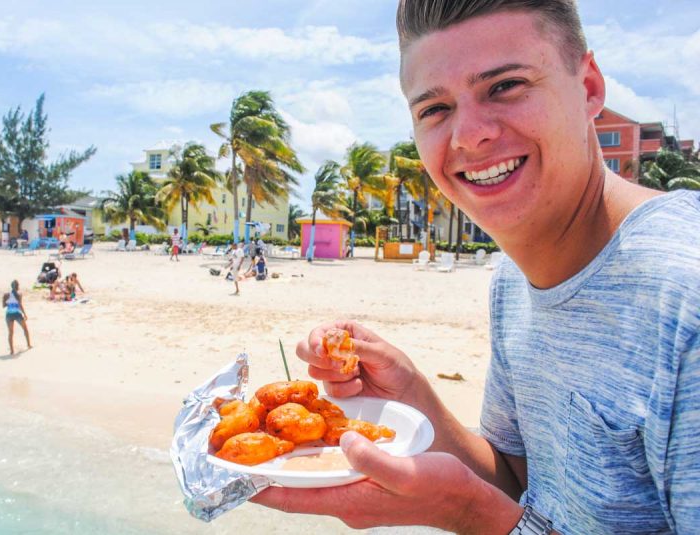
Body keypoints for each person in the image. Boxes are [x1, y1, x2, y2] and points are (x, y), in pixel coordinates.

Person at [253, 1, 700, 534]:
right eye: (435, 109)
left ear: (589, 89)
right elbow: (519, 483)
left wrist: (469, 516)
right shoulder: (514, 279)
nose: (468, 136)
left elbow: (498, 512)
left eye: (505, 86)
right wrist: (413, 399)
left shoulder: (684, 296)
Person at [3, 280, 32, 355]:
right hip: (17, 314)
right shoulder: (19, 294)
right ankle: (28, 345)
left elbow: (3, 306)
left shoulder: (6, 295)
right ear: (18, 286)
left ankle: (12, 350)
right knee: (25, 329)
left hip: (9, 314)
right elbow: (20, 305)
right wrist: (24, 314)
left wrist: (9, 302)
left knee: (10, 333)